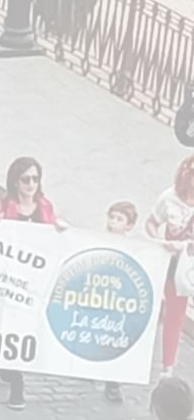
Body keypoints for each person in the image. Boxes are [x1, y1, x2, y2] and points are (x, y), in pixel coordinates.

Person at [0, 156, 66, 411]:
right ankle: (13, 379)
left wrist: (61, 230)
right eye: (26, 179)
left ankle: (11, 374)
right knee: (7, 329)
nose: (31, 184)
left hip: (34, 282)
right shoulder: (1, 206)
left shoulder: (44, 207)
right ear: (15, 181)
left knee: (22, 331)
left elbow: (55, 237)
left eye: (35, 178)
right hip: (7, 281)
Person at [147, 156, 194, 380]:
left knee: (175, 315)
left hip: (186, 267)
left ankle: (168, 367)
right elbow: (152, 222)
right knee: (151, 308)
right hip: (164, 259)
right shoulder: (169, 197)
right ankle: (139, 354)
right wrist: (159, 240)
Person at [102, 201, 138, 402]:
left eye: (119, 219)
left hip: (118, 302)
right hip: (99, 298)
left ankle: (113, 383)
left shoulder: (131, 247)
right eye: (112, 217)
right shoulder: (98, 239)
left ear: (129, 225)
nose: (113, 222)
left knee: (115, 339)